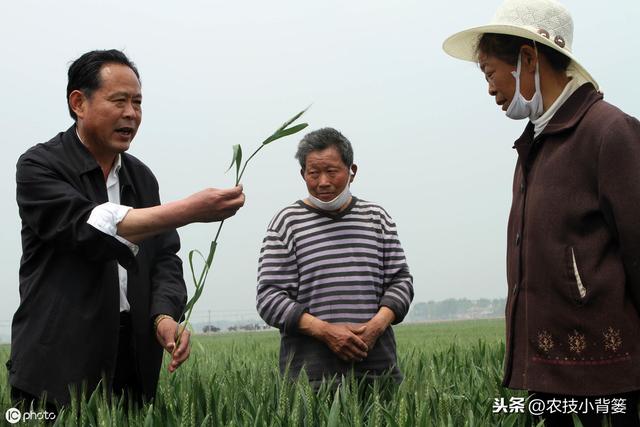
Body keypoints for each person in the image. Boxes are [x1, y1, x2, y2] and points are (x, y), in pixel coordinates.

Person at [7, 49, 245, 410]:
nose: (131, 114)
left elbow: (164, 256)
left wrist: (164, 316)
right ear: (78, 103)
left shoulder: (141, 177)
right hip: (55, 363)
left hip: (131, 358)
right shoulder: (40, 166)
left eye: (137, 103)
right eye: (119, 101)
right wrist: (188, 210)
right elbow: (88, 226)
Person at [443, 0, 640, 425]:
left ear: (527, 59)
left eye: (489, 72)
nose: (490, 88)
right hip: (549, 375)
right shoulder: (536, 142)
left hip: (604, 379)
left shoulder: (608, 132)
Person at [256, 127, 414, 391]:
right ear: (302, 174)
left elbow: (401, 282)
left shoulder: (377, 218)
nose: (323, 182)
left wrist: (377, 325)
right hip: (310, 379)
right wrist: (325, 332)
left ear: (352, 171)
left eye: (332, 172)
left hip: (377, 372)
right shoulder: (286, 223)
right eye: (313, 173)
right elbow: (269, 297)